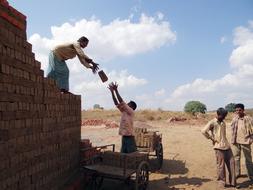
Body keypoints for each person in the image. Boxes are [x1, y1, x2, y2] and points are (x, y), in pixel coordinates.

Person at [201, 107, 236, 188]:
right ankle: (222, 183)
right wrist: (212, 138)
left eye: (225, 115)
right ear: (218, 114)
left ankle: (233, 183)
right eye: (223, 115)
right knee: (221, 166)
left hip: (227, 146)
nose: (224, 117)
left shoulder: (223, 122)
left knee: (232, 163)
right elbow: (203, 131)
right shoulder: (212, 122)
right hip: (218, 147)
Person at [108, 82, 137, 153]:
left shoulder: (131, 111)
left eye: (128, 104)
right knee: (123, 153)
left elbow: (121, 102)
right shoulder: (124, 111)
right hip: (124, 135)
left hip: (129, 136)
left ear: (132, 107)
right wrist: (112, 92)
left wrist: (116, 90)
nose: (126, 104)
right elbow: (116, 103)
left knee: (130, 154)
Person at [231, 103, 253, 183]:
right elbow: (233, 129)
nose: (238, 112)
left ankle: (251, 175)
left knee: (248, 159)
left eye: (239, 110)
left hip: (246, 142)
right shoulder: (234, 119)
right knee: (236, 158)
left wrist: (251, 139)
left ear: (243, 110)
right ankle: (237, 173)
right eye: (236, 110)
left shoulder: (249, 119)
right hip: (236, 141)